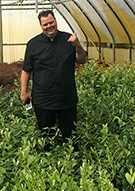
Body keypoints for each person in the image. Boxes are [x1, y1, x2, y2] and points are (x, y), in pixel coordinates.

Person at [20, 9, 87, 150]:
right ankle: (46, 164)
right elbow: (26, 70)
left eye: (51, 22)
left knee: (70, 136)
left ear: (55, 21)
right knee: (46, 136)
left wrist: (78, 45)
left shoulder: (69, 40)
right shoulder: (33, 44)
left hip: (66, 98)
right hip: (43, 99)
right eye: (45, 24)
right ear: (41, 26)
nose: (49, 26)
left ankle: (72, 165)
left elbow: (82, 60)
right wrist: (23, 92)